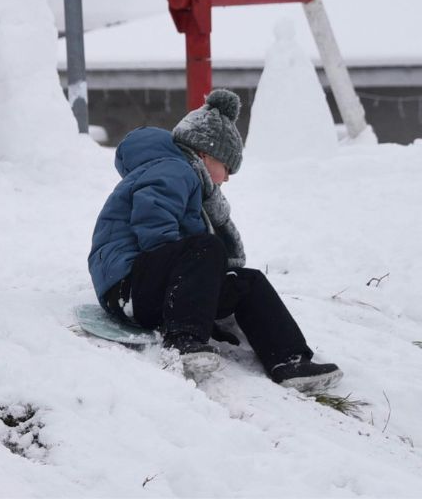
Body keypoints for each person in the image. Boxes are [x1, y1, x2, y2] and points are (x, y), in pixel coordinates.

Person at [87, 89, 342, 393]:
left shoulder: (187, 179)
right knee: (205, 248)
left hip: (154, 286)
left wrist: (202, 294)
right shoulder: (174, 169)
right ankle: (182, 341)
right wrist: (189, 293)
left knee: (246, 281)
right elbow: (153, 223)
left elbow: (184, 262)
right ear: (206, 153)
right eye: (228, 168)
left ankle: (289, 360)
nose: (228, 178)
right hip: (126, 286)